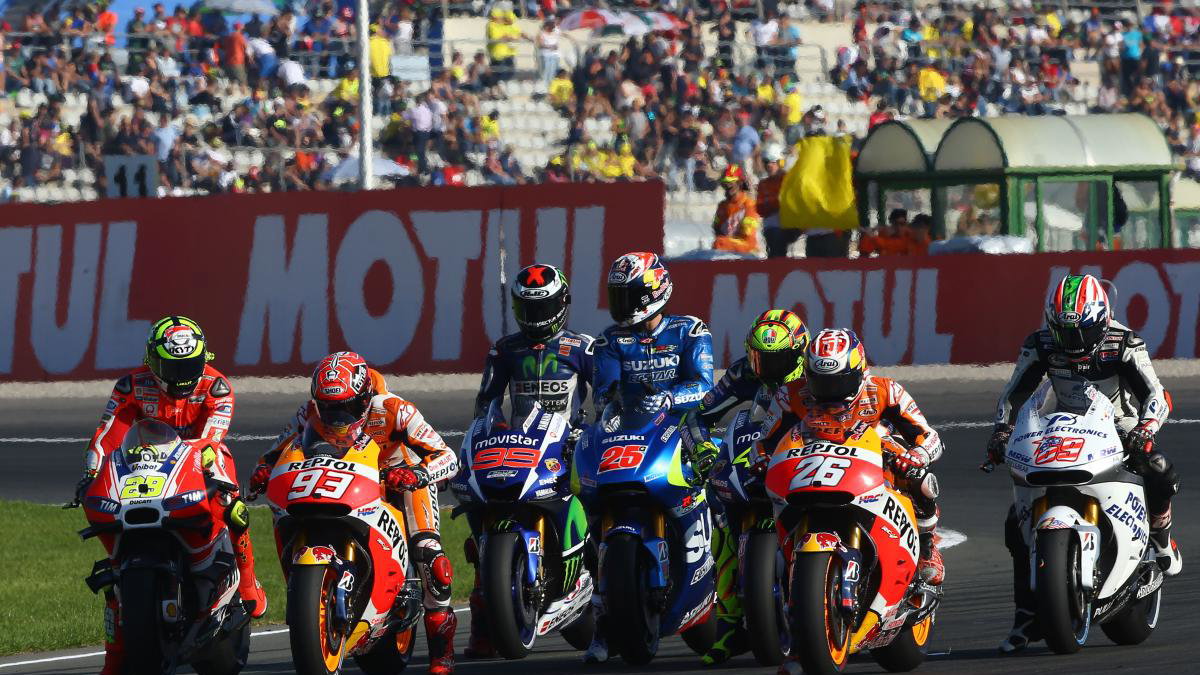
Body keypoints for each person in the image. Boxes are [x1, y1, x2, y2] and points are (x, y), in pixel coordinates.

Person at [985, 274, 1180, 654]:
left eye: (1082, 332)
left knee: (1159, 470)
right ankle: (1025, 612)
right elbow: (1014, 393)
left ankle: (1160, 539)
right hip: (1060, 427)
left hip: (1119, 427)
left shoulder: (1124, 342)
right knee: (1014, 521)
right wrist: (1001, 432)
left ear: (1102, 319)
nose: (1073, 343)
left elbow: (1156, 394)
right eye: (1064, 333)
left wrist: (1146, 428)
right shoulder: (1040, 344)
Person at [250, 352, 460, 674]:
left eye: (345, 408)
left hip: (399, 481)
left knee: (428, 552)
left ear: (364, 399)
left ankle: (442, 654)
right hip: (342, 481)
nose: (336, 417)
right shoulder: (308, 413)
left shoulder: (395, 410)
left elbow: (447, 456)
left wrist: (418, 473)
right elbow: (274, 452)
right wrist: (263, 471)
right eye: (328, 407)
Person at [80, 316, 267, 675]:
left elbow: (213, 436)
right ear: (152, 361)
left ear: (204, 358)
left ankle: (247, 581)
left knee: (233, 505)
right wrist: (91, 470)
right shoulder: (131, 385)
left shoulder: (217, 387)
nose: (183, 376)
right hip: (144, 464)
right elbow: (108, 433)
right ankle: (115, 650)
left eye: (191, 365)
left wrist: (202, 461)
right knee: (104, 523)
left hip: (200, 458)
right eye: (174, 367)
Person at [585, 251, 714, 663]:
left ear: (653, 292)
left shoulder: (690, 330)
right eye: (617, 295)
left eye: (629, 295)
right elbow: (604, 394)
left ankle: (737, 583)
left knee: (723, 482)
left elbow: (705, 385)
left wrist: (671, 397)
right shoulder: (609, 341)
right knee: (589, 504)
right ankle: (602, 617)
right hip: (631, 432)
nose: (621, 304)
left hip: (684, 428)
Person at [464, 263, 596, 658]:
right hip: (521, 444)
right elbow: (486, 403)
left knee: (598, 501)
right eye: (528, 307)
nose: (536, 315)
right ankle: (485, 625)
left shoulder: (583, 347)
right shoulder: (504, 349)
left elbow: (609, 397)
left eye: (543, 307)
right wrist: (486, 432)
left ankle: (612, 587)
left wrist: (594, 430)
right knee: (483, 516)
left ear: (562, 303)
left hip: (568, 445)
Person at [759, 329, 946, 595]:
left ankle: (927, 548)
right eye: (821, 383)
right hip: (808, 462)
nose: (830, 392)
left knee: (921, 480)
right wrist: (761, 458)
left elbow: (929, 436)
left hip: (874, 457)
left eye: (839, 382)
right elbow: (764, 441)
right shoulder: (789, 394)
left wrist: (917, 455)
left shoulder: (885, 390)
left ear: (859, 372)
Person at [681, 309, 810, 664]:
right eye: (760, 357)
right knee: (720, 519)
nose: (766, 367)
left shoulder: (814, 376)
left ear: (798, 354)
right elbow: (697, 415)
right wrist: (703, 450)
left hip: (806, 462)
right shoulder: (742, 373)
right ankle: (728, 623)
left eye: (777, 359)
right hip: (754, 462)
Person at [713, 165, 763, 255]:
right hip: (727, 245)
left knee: (720, 242)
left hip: (748, 248)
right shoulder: (722, 206)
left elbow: (747, 233)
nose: (727, 185)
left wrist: (727, 239)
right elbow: (716, 228)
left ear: (740, 183)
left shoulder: (749, 204)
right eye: (725, 183)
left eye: (731, 182)